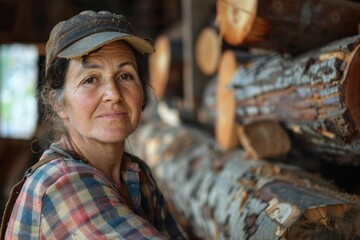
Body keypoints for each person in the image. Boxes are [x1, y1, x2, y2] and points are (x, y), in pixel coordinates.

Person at [5, 10, 186, 239]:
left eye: (126, 76)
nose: (113, 94)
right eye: (90, 79)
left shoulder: (137, 176)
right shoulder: (60, 185)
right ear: (58, 104)